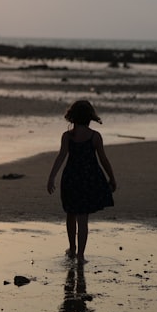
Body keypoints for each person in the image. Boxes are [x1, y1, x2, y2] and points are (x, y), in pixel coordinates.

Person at [46, 100, 117, 265]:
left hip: (70, 179)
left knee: (70, 214)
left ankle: (72, 248)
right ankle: (80, 255)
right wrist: (112, 177)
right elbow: (104, 160)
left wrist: (51, 177)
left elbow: (61, 157)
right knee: (83, 219)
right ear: (90, 117)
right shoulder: (95, 136)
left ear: (72, 116)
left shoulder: (67, 136)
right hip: (88, 180)